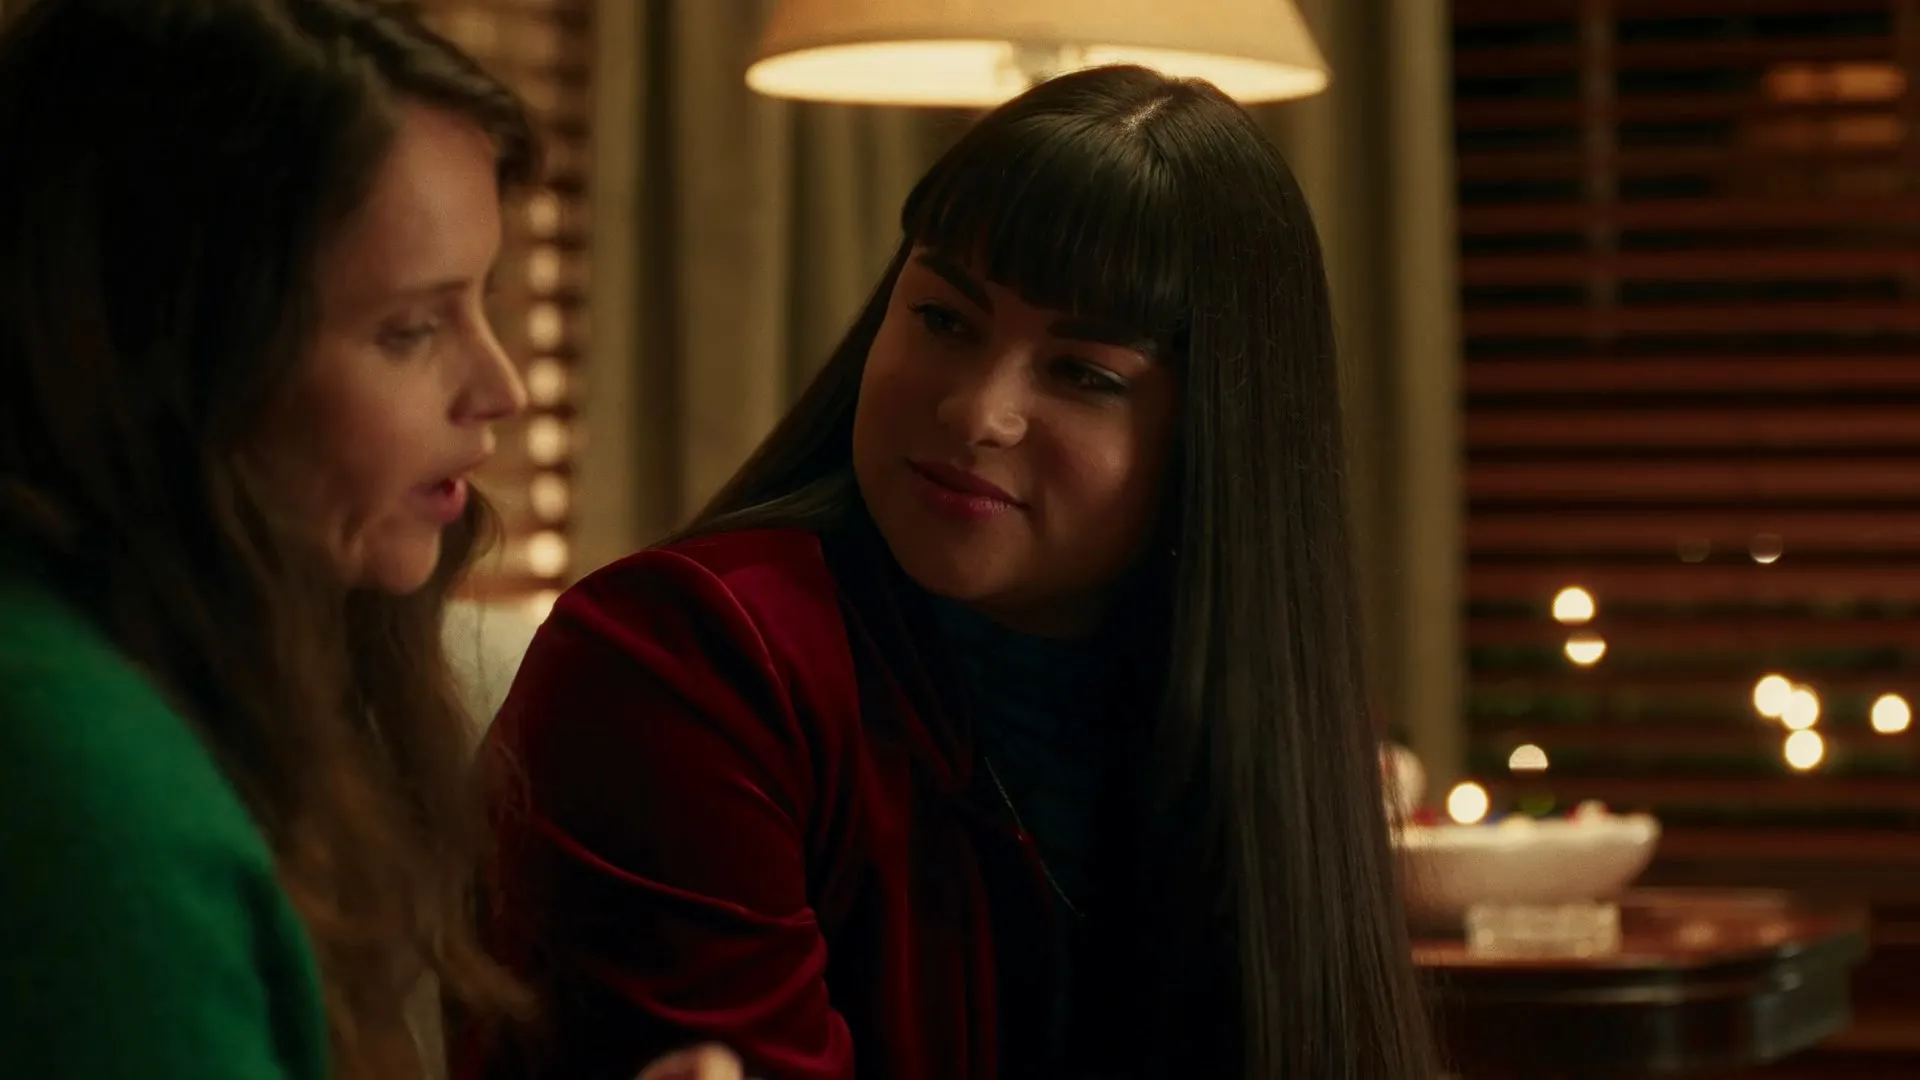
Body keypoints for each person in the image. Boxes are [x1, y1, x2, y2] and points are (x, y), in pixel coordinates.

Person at [463, 64, 1438, 1080]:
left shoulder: (1246, 728)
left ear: (1215, 435)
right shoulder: (685, 656)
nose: (978, 412)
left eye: (1083, 373)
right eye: (943, 319)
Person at [0, 2, 740, 1079]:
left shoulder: (243, 675)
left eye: (484, 303)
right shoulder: (81, 790)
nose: (501, 386)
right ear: (168, 358)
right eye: (411, 328)